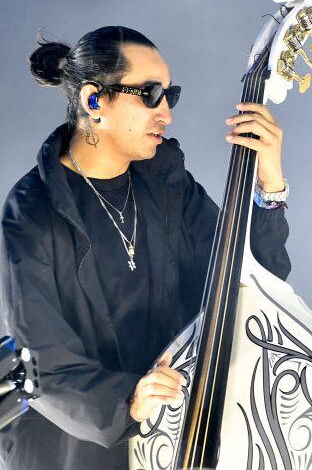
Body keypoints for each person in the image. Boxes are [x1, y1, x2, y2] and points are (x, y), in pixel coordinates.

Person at [0, 26, 292, 469]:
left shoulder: (166, 182)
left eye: (168, 95)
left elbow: (247, 285)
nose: (166, 114)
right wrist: (129, 400)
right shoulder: (32, 211)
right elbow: (42, 360)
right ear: (94, 101)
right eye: (149, 94)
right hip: (72, 452)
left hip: (175, 439)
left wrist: (269, 182)